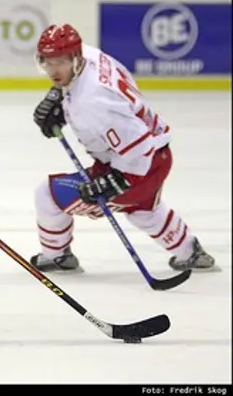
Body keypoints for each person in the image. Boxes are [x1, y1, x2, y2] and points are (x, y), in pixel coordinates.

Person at [30, 24, 217, 273]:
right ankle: (190, 252)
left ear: (75, 58)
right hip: (157, 152)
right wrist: (58, 95)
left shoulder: (93, 103)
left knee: (48, 195)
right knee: (142, 209)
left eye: (60, 62)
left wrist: (115, 181)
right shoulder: (88, 55)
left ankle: (56, 256)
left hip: (138, 163)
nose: (53, 70)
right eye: (48, 63)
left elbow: (137, 149)